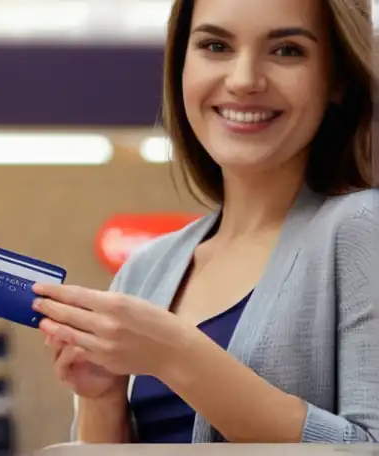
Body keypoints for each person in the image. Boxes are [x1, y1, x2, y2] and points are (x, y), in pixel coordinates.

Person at [30, 0, 379, 445]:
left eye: (287, 50)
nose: (244, 79)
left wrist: (177, 355)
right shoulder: (144, 270)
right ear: (181, 67)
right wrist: (103, 399)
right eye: (215, 45)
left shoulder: (361, 229)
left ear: (337, 80)